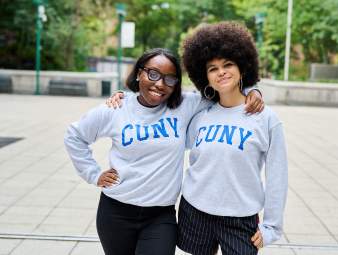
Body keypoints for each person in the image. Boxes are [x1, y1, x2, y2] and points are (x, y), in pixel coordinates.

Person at [64, 48, 264, 255]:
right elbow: (74, 136)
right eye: (153, 74)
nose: (160, 84)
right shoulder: (116, 108)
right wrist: (93, 174)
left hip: (160, 216)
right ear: (139, 73)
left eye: (170, 79)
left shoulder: (184, 105)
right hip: (115, 212)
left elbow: (225, 89)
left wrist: (252, 90)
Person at [176, 22, 288, 255]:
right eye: (213, 68)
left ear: (242, 68)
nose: (221, 72)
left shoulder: (265, 118)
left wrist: (272, 227)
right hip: (195, 211)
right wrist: (124, 98)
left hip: (240, 217)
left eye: (228, 64)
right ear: (204, 76)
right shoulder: (199, 115)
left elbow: (278, 175)